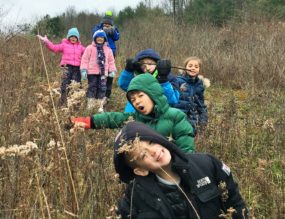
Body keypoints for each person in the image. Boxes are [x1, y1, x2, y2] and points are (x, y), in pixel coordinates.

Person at [114, 121, 249, 219]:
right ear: (140, 171)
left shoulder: (207, 164)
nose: (154, 151)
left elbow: (236, 204)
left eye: (151, 142)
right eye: (143, 155)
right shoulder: (134, 197)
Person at [72, 73, 195, 153]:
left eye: (140, 95)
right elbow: (112, 118)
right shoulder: (135, 118)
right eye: (133, 99)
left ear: (154, 95)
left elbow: (186, 148)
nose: (137, 101)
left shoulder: (175, 116)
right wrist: (87, 122)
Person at [118, 48, 180, 112]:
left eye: (150, 64)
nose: (147, 68)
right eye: (143, 66)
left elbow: (172, 100)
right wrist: (128, 71)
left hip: (154, 118)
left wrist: (163, 80)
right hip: (132, 116)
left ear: (157, 63)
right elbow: (124, 85)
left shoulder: (169, 77)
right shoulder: (139, 78)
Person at [37, 27, 85, 106]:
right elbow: (54, 48)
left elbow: (89, 52)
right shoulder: (64, 45)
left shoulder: (80, 47)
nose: (73, 38)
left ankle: (76, 103)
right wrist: (46, 42)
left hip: (77, 68)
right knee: (65, 84)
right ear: (68, 37)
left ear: (77, 38)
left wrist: (98, 47)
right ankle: (63, 102)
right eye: (71, 36)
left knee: (77, 85)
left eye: (75, 37)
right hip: (66, 67)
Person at [80, 29, 117, 112]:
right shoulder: (90, 48)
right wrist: (84, 70)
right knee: (92, 87)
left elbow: (111, 61)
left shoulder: (108, 50)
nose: (100, 39)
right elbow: (84, 59)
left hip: (103, 73)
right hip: (92, 72)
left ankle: (100, 106)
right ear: (95, 38)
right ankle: (90, 104)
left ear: (105, 39)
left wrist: (112, 70)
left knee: (102, 88)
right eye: (98, 37)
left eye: (102, 37)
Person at [174, 56, 210, 134]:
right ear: (185, 67)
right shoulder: (177, 81)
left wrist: (203, 121)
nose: (193, 68)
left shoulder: (200, 85)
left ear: (199, 69)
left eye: (196, 67)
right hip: (178, 118)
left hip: (192, 120)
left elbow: (201, 105)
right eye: (190, 66)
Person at [92, 11, 120, 102]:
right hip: (100, 51)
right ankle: (98, 92)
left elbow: (117, 37)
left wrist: (113, 31)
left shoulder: (114, 29)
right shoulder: (98, 27)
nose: (107, 25)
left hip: (111, 52)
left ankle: (107, 94)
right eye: (105, 23)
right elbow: (94, 33)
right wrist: (102, 31)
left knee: (109, 72)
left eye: (108, 24)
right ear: (102, 22)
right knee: (100, 71)